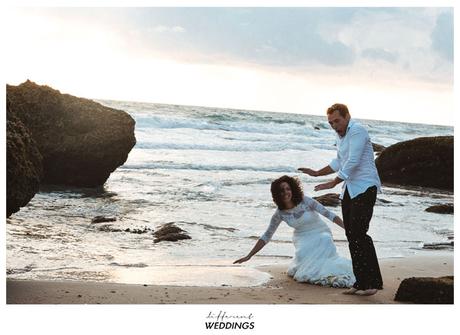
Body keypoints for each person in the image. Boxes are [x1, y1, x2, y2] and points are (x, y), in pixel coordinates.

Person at [298, 103, 383, 296]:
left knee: (360, 234)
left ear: (347, 117)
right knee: (352, 234)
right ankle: (361, 282)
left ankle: (371, 283)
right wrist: (318, 173)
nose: (334, 126)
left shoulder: (357, 131)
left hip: (365, 187)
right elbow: (339, 161)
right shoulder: (340, 136)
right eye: (330, 123)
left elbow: (353, 160)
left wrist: (334, 182)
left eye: (337, 121)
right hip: (350, 189)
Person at [234, 175, 355, 288]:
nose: (286, 192)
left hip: (320, 231)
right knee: (303, 257)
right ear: (277, 194)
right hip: (301, 237)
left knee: (325, 239)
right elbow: (266, 236)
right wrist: (249, 255)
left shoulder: (306, 201)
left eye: (288, 189)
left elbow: (329, 215)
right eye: (282, 190)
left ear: (292, 189)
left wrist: (348, 229)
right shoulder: (279, 214)